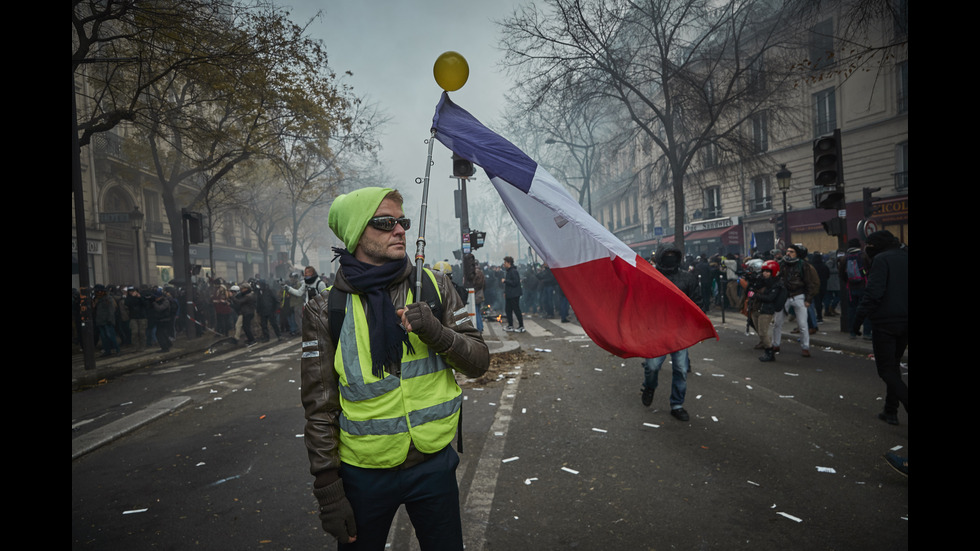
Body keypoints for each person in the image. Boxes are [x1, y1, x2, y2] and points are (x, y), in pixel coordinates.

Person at [301, 187, 489, 549]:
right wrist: (328, 489)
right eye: (385, 223)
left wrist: (436, 332)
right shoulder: (325, 310)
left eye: (401, 221)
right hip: (364, 476)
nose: (400, 230)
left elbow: (479, 362)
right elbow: (319, 406)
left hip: (434, 465)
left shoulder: (436, 287)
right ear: (357, 233)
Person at [853, 230, 908, 426]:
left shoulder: (882, 260)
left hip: (886, 322)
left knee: (886, 370)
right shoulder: (905, 255)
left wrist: (857, 320)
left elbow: (873, 293)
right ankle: (890, 410)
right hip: (905, 321)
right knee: (893, 366)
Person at [640, 244, 699, 421]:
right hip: (656, 330)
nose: (670, 258)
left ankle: (677, 404)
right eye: (667, 255)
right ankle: (649, 386)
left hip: (679, 332)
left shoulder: (687, 278)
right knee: (651, 367)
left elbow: (697, 302)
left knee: (680, 369)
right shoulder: (649, 277)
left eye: (674, 255)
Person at [772, 243, 820, 357]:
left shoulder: (803, 265)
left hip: (799, 296)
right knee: (777, 323)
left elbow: (810, 283)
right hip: (784, 296)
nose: (788, 253)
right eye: (787, 251)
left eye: (791, 251)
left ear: (797, 254)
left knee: (803, 325)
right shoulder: (781, 264)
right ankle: (775, 344)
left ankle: (805, 347)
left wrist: (808, 299)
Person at [751, 260, 787, 362]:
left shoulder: (777, 284)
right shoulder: (761, 280)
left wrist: (755, 295)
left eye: (768, 272)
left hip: (767, 310)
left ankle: (769, 352)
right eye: (764, 271)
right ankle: (768, 350)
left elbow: (770, 298)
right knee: (759, 331)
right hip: (756, 308)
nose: (765, 274)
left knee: (763, 332)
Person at [501, 256, 525, 332]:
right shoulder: (508, 271)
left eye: (505, 262)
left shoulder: (513, 271)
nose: (504, 264)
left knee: (516, 310)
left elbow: (515, 282)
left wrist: (505, 281)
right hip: (509, 294)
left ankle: (521, 326)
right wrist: (505, 292)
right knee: (508, 310)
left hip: (514, 294)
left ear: (509, 263)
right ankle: (510, 325)